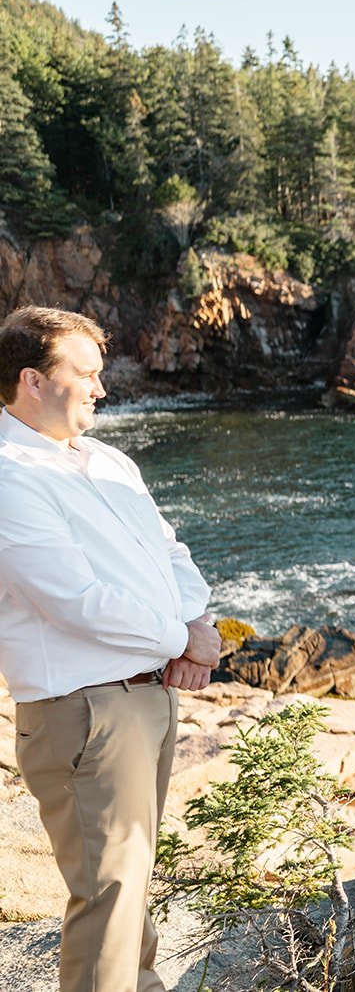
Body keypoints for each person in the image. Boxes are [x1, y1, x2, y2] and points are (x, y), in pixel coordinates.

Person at [0, 306, 221, 992]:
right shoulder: (9, 476)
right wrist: (180, 636)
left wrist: (198, 624)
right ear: (33, 380)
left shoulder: (108, 459)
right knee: (109, 897)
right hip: (86, 710)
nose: (101, 388)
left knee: (131, 890)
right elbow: (74, 599)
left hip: (145, 698)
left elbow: (170, 550)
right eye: (86, 373)